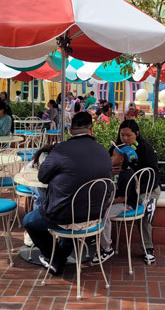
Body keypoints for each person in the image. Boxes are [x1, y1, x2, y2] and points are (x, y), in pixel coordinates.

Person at [23, 112, 112, 275]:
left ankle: (54, 256)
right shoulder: (103, 151)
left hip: (64, 216)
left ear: (70, 129)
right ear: (91, 130)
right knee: (69, 216)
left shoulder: (61, 149)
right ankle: (59, 256)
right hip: (96, 216)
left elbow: (42, 176)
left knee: (29, 221)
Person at [113, 119, 161, 265]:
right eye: (122, 135)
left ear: (137, 134)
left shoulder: (145, 149)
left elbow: (152, 175)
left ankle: (148, 248)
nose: (125, 139)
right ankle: (103, 247)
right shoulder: (118, 147)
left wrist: (131, 168)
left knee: (143, 214)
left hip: (147, 189)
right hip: (126, 188)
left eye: (129, 135)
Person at [93, 146, 136, 264]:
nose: (111, 157)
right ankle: (99, 240)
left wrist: (107, 203)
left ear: (121, 159)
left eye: (113, 155)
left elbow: (123, 198)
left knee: (104, 214)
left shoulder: (126, 175)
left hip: (127, 204)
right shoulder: (123, 171)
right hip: (120, 199)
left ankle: (107, 247)